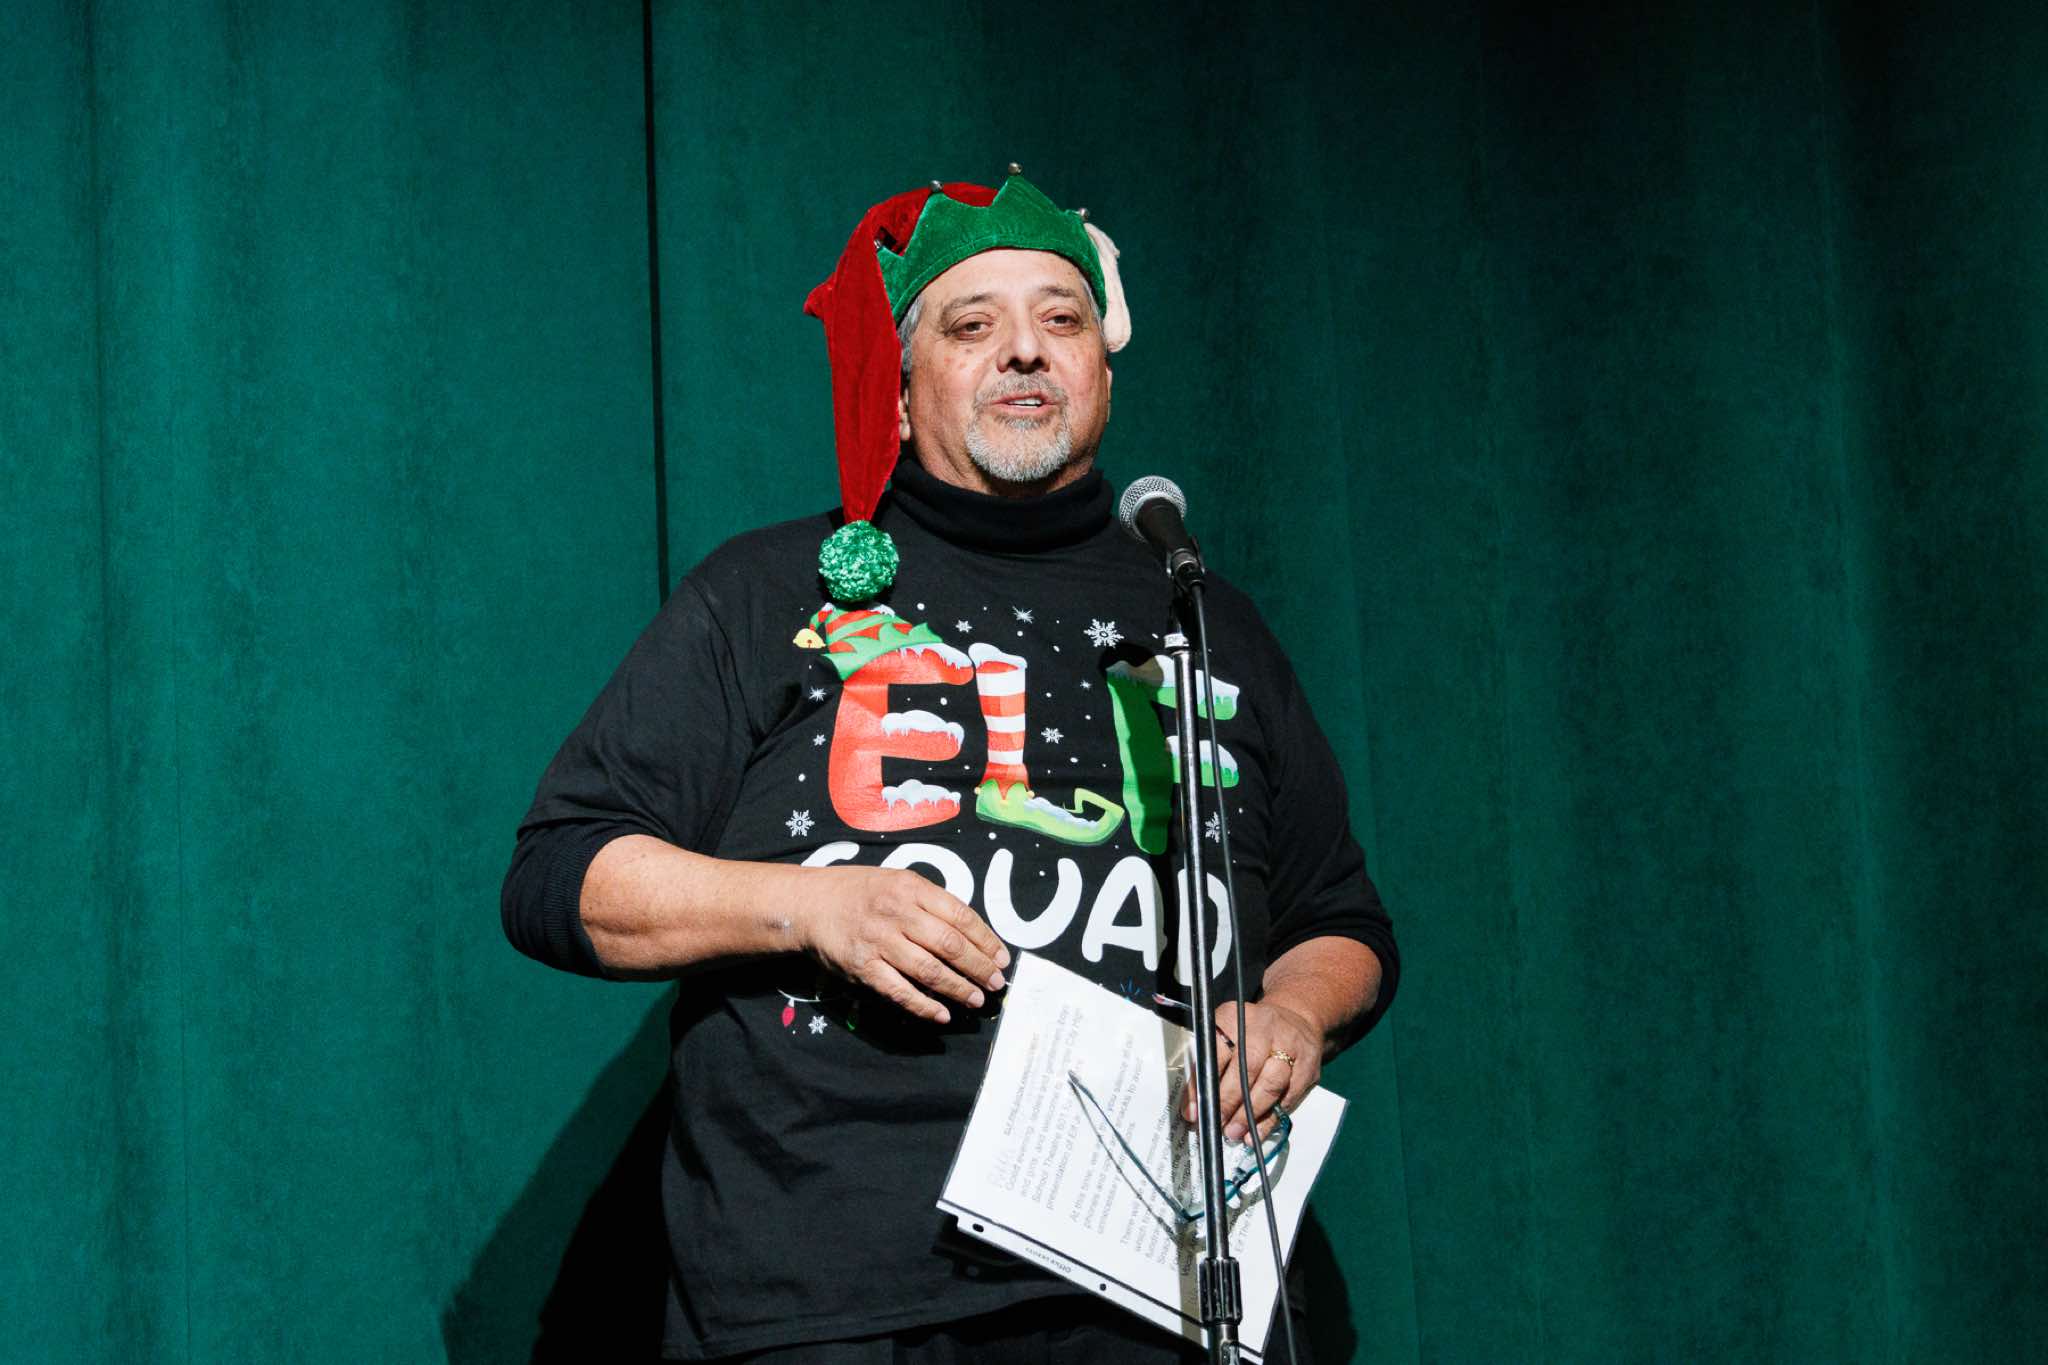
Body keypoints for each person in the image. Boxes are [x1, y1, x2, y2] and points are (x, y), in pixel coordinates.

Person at [502, 168, 1399, 1364]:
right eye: (972, 326)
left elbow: (1339, 920)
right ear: (902, 381)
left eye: (1060, 319)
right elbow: (561, 873)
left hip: (1161, 1281)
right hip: (838, 1299)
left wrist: (1292, 1012)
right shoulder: (766, 592)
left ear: (1102, 369)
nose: (1024, 350)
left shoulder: (1203, 621)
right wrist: (810, 904)